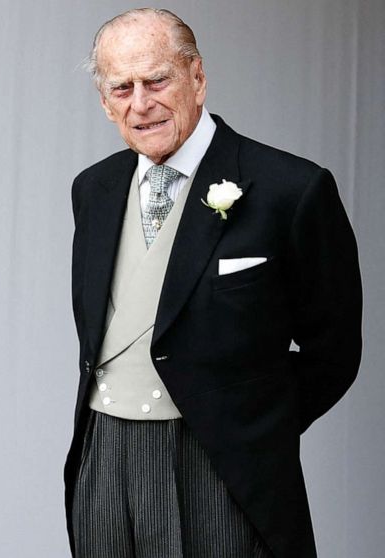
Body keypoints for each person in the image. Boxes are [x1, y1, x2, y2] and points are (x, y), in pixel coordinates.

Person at [66, 8, 361, 558]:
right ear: (106, 103)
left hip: (219, 466)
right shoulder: (93, 189)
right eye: (121, 88)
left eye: (157, 80)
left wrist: (249, 425)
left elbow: (336, 350)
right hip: (102, 457)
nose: (141, 103)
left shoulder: (290, 189)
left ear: (197, 78)